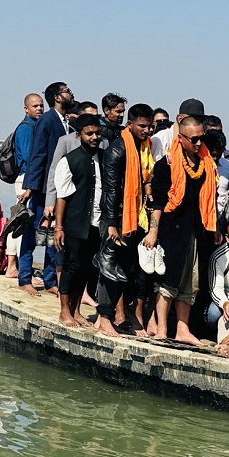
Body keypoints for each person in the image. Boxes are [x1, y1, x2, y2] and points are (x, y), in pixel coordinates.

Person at [143, 115, 217, 344]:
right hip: (170, 230)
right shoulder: (167, 164)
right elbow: (157, 202)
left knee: (190, 281)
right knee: (168, 280)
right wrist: (153, 231)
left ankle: (182, 330)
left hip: (195, 230)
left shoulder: (206, 163)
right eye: (193, 139)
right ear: (181, 137)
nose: (198, 144)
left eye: (201, 139)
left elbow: (209, 201)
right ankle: (163, 328)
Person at [96, 103, 155, 337]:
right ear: (129, 124)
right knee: (108, 268)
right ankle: (104, 317)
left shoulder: (144, 149)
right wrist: (112, 224)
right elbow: (110, 190)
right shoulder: (117, 150)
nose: (147, 131)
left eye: (149, 126)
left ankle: (121, 314)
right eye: (142, 126)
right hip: (116, 219)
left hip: (134, 218)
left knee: (129, 269)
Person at [19, 82, 75, 296]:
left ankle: (50, 279)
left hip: (59, 188)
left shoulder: (66, 122)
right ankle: (25, 278)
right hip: (43, 188)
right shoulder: (46, 120)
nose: (71, 92)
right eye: (67, 90)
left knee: (55, 235)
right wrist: (31, 188)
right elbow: (37, 154)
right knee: (33, 233)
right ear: (58, 98)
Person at [51, 114, 105, 328]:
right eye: (89, 134)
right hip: (74, 223)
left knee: (85, 268)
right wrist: (59, 226)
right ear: (79, 134)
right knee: (71, 266)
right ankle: (64, 311)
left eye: (97, 133)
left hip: (96, 223)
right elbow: (62, 197)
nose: (94, 137)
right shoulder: (69, 160)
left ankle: (76, 310)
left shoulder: (104, 156)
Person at [5, 93, 44, 279]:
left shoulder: (32, 126)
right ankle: (14, 267)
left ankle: (13, 266)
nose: (39, 109)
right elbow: (30, 159)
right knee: (23, 225)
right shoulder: (27, 129)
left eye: (41, 106)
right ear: (26, 109)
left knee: (20, 223)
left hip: (25, 180)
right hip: (26, 181)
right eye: (35, 106)